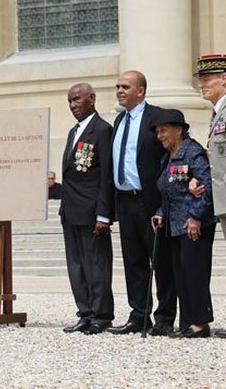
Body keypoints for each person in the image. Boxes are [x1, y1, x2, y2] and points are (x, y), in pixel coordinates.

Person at [107, 70, 176, 336]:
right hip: (124, 201)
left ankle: (165, 316)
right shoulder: (119, 120)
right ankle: (139, 315)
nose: (120, 91)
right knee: (133, 260)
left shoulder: (156, 117)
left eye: (125, 86)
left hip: (150, 201)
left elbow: (170, 154)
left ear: (141, 91)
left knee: (160, 259)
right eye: (117, 87)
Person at [151, 109, 215, 338]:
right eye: (157, 131)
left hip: (193, 224)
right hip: (175, 225)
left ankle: (200, 323)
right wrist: (160, 213)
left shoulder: (193, 152)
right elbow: (168, 191)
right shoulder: (166, 156)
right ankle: (188, 322)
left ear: (178, 130)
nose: (160, 136)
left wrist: (196, 216)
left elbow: (207, 186)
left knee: (194, 273)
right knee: (182, 274)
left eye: (163, 130)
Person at [59, 83, 114, 335]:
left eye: (77, 100)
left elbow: (105, 177)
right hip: (71, 211)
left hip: (92, 212)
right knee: (77, 265)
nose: (72, 105)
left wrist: (104, 214)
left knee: (97, 266)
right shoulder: (74, 131)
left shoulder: (102, 130)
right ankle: (85, 312)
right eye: (70, 101)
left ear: (91, 99)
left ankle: (101, 315)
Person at [190, 53, 226, 338]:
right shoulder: (216, 113)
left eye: (207, 79)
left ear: (224, 79)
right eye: (200, 79)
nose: (202, 85)